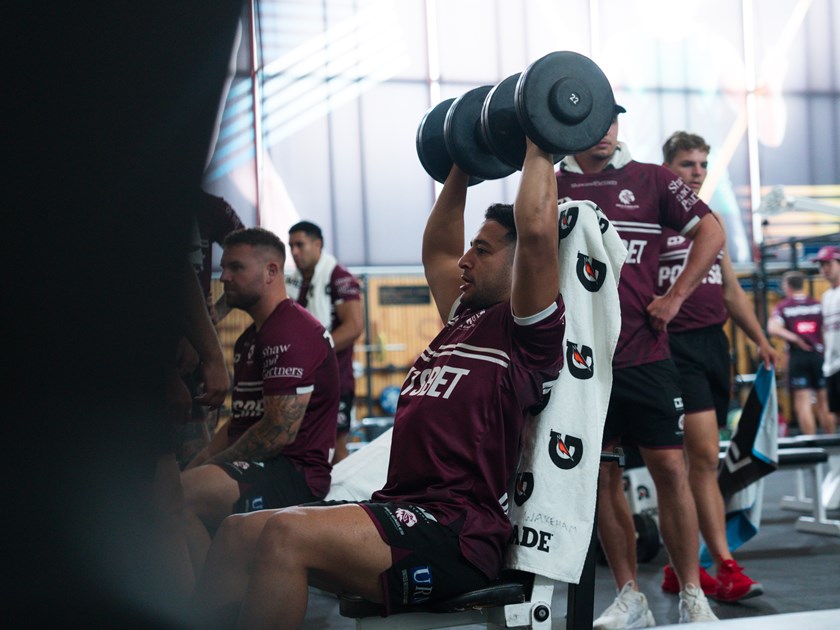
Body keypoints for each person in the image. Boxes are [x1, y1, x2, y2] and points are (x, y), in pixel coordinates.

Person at [189, 137, 565, 629]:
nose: (465, 261)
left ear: (520, 265)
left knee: (286, 533)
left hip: (456, 532)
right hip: (401, 509)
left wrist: (538, 139)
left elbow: (537, 229)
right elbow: (438, 247)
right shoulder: (461, 319)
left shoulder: (528, 333)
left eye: (483, 250)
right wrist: (460, 162)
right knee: (238, 532)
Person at [555, 106, 725, 627]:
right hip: (583, 362)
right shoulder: (552, 184)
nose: (605, 132)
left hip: (645, 354)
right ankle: (631, 596)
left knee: (672, 470)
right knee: (604, 479)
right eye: (595, 122)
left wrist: (674, 297)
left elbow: (711, 231)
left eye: (613, 121)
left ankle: (693, 594)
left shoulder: (651, 178)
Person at [657, 131, 779, 602]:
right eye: (688, 164)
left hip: (714, 346)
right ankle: (724, 565)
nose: (697, 172)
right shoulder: (652, 222)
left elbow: (731, 291)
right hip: (672, 346)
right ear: (667, 168)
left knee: (698, 461)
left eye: (703, 165)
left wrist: (761, 340)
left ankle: (677, 566)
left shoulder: (711, 222)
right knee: (705, 458)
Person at [179, 227, 340, 581]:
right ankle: (217, 597)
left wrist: (211, 469)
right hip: (259, 465)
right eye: (223, 267)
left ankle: (208, 606)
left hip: (293, 475)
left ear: (271, 272)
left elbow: (278, 432)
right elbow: (240, 421)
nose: (224, 278)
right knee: (176, 488)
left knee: (180, 497)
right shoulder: (250, 338)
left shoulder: (291, 331)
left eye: (236, 267)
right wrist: (197, 466)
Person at [286, 221, 364, 464]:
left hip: (336, 380)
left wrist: (312, 351)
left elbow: (353, 327)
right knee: (305, 447)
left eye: (300, 245)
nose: (295, 252)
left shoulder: (339, 277)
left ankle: (347, 501)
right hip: (304, 380)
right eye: (291, 246)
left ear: (317, 244)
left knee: (336, 448)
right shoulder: (293, 281)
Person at [767, 271, 832, 435]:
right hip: (819, 355)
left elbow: (773, 328)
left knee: (803, 402)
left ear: (787, 286)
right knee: (824, 402)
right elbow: (826, 329)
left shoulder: (784, 306)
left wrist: (795, 339)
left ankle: (810, 444)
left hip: (798, 356)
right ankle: (833, 443)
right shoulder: (817, 304)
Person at [813, 246, 840, 430]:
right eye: (821, 265)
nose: (824, 269)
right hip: (831, 364)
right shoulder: (826, 296)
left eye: (828, 264)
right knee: (836, 413)